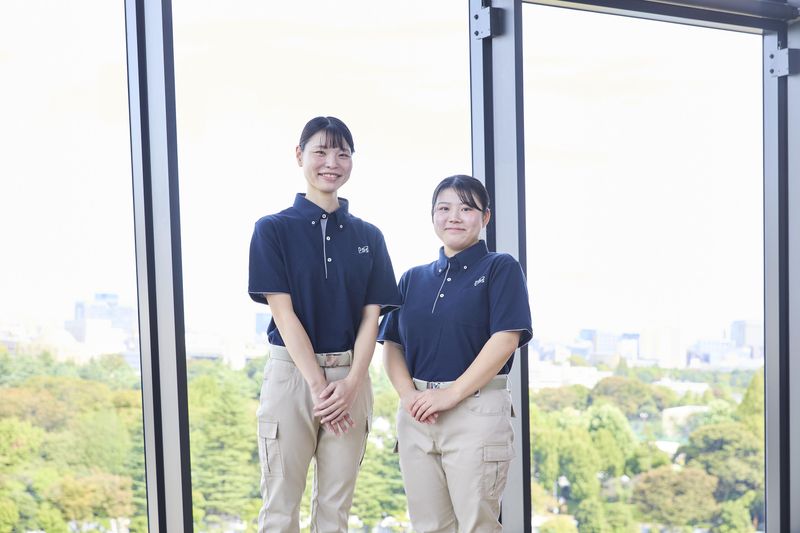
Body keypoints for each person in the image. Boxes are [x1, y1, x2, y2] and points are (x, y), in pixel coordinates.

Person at [248, 116, 401, 532]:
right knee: (280, 507)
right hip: (292, 377)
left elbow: (372, 318)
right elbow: (283, 313)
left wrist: (351, 384)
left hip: (351, 378)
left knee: (336, 511)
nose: (331, 162)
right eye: (320, 151)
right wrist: (319, 387)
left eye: (342, 153)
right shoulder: (272, 230)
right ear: (299, 155)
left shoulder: (369, 236)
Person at [379, 175, 532, 532]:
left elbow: (505, 339)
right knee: (428, 526)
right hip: (418, 415)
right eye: (444, 208)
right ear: (432, 215)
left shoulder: (500, 268)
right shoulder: (412, 278)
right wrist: (410, 396)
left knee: (477, 525)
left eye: (466, 209)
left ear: (485, 217)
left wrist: (450, 395)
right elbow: (392, 345)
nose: (454, 217)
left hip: (475, 410)